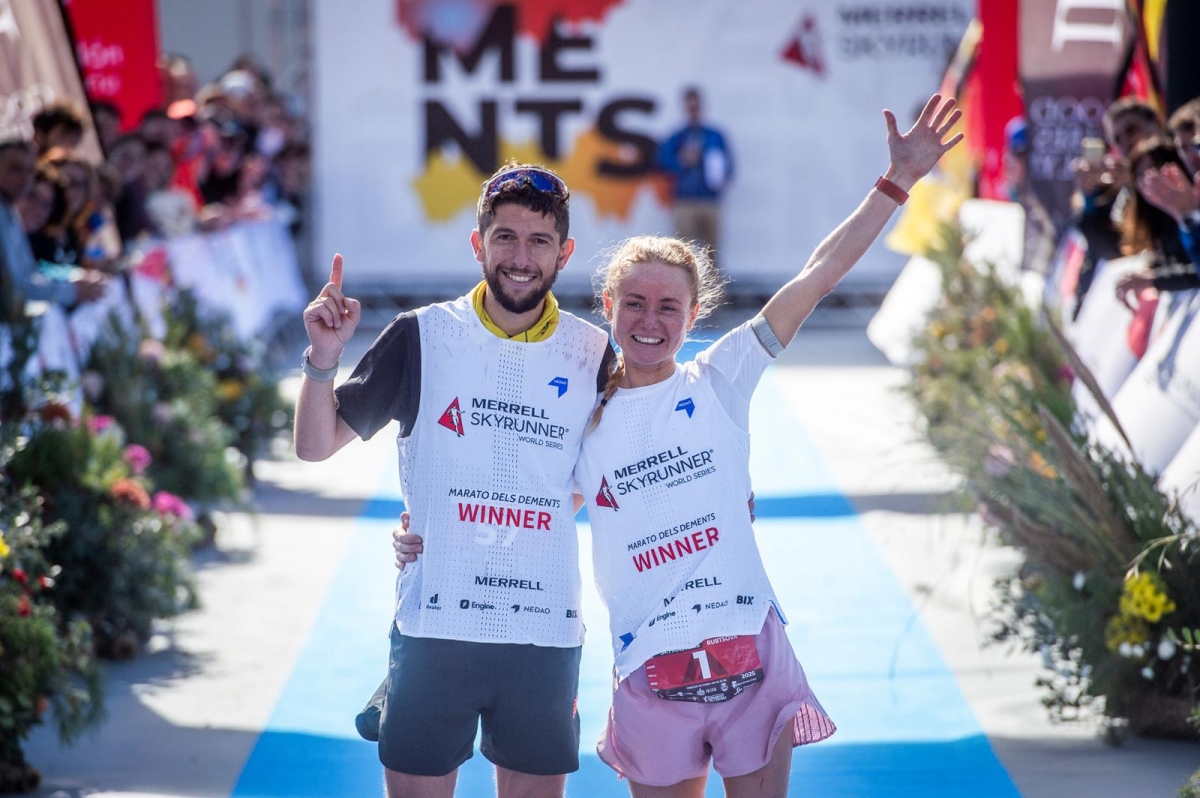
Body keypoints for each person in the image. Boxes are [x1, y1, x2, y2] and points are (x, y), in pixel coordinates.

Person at [395, 94, 962, 796]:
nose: (651, 320)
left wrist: (895, 183)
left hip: (748, 653)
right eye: (634, 303)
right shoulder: (581, 419)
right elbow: (518, 500)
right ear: (607, 308)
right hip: (650, 671)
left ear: (696, 314)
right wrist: (423, 538)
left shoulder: (723, 377)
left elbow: (818, 276)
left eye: (670, 307)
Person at [293, 163, 613, 798]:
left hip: (542, 624)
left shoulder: (593, 353)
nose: (521, 258)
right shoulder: (422, 335)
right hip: (435, 620)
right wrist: (323, 360)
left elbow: (600, 478)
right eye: (505, 238)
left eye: (540, 241)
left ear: (564, 253)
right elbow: (313, 446)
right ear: (477, 244)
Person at [658, 87, 733, 265]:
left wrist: (721, 179)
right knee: (682, 255)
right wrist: (682, 161)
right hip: (684, 201)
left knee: (712, 254)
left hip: (710, 201)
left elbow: (728, 166)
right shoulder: (677, 137)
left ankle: (714, 291)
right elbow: (662, 162)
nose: (693, 109)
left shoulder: (715, 136)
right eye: (690, 106)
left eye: (696, 106)